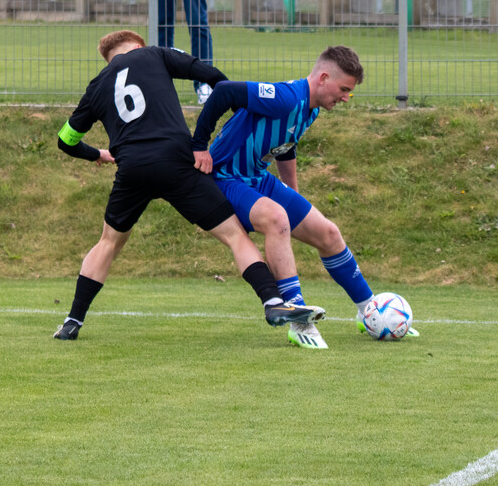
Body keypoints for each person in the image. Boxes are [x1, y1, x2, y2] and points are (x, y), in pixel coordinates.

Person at [52, 30, 322, 340]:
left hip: (132, 169)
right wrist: (236, 115)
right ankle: (273, 302)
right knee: (234, 235)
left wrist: (98, 154)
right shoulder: (155, 54)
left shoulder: (96, 87)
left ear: (108, 58)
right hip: (177, 163)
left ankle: (73, 321)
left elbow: (65, 141)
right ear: (138, 45)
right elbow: (211, 77)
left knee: (109, 242)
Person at [192, 46, 416, 350]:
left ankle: (369, 312)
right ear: (323, 77)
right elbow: (224, 92)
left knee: (329, 233)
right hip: (226, 178)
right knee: (276, 219)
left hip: (258, 178)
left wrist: (293, 192)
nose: (347, 97)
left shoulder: (310, 109)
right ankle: (297, 320)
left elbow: (286, 146)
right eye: (344, 89)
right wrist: (198, 145)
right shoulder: (286, 97)